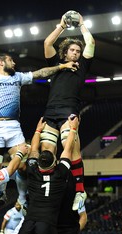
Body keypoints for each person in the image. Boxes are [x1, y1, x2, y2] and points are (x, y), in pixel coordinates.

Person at [0, 53, 77, 205]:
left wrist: (62, 66)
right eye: (11, 60)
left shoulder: (17, 77)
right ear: (1, 63)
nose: (14, 63)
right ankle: (0, 192)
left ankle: (22, 198)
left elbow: (40, 73)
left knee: (23, 167)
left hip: (13, 127)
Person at [10, 116, 79, 234]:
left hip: (29, 222)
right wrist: (73, 129)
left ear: (39, 163)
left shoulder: (32, 171)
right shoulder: (61, 173)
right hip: (47, 224)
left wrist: (38, 130)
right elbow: (68, 150)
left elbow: (34, 149)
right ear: (54, 163)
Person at [41, 11, 95, 210]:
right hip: (50, 112)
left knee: (70, 149)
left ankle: (80, 191)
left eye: (77, 51)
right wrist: (61, 26)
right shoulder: (55, 64)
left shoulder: (82, 67)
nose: (76, 53)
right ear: (65, 52)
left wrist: (82, 24)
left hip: (69, 111)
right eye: (72, 50)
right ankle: (51, 190)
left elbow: (91, 43)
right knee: (47, 153)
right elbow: (47, 44)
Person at [56, 133, 88, 234]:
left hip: (68, 232)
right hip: (51, 231)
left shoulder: (75, 192)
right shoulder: (52, 187)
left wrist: (75, 231)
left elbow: (83, 217)